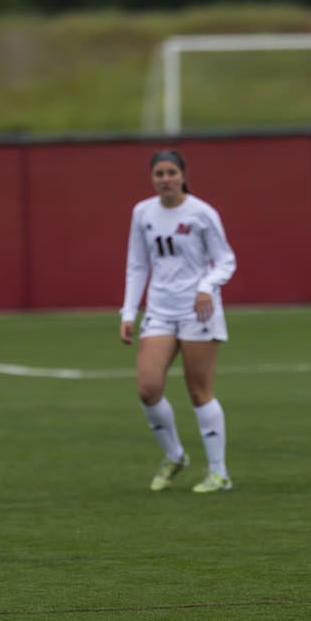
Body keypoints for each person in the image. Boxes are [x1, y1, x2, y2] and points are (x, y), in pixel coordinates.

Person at [119, 149, 237, 494]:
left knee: (199, 391)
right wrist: (129, 312)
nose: (165, 179)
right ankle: (175, 456)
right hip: (160, 309)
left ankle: (219, 473)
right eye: (159, 174)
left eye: (171, 172)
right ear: (152, 178)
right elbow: (137, 264)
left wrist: (206, 287)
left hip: (198, 310)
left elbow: (226, 260)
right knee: (148, 388)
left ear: (183, 175)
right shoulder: (143, 212)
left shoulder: (202, 213)